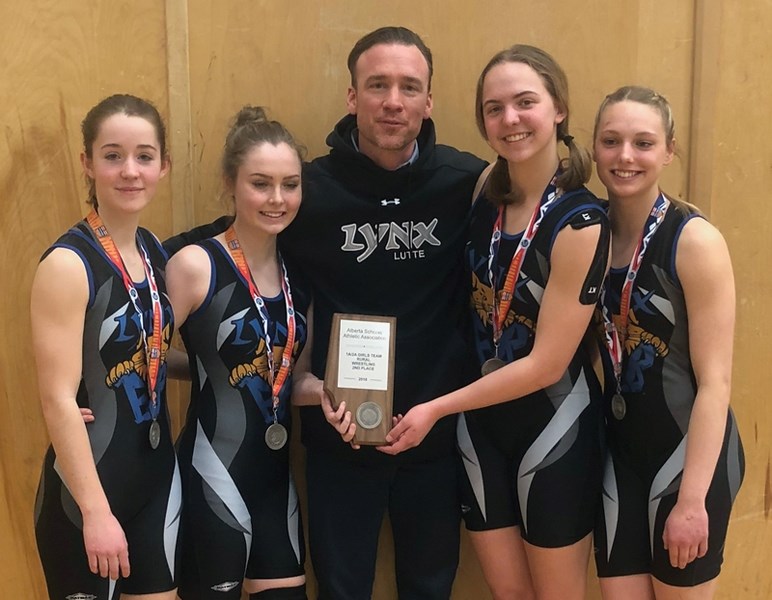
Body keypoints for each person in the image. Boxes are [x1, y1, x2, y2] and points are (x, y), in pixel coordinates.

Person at [379, 45, 610, 600]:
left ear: (558, 109)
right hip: (480, 430)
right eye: (494, 108)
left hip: (553, 426)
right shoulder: (485, 190)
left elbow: (546, 364)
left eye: (525, 102)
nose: (509, 120)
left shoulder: (581, 222)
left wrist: (436, 407)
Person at [283, 27, 487, 600]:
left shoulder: (467, 182)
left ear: (428, 101)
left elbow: (548, 222)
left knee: (430, 587)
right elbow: (228, 251)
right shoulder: (307, 191)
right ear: (352, 97)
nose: (392, 101)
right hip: (339, 437)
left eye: (408, 87)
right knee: (342, 589)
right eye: (377, 85)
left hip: (436, 432)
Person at [591, 86, 744, 600]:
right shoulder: (587, 232)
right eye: (611, 141)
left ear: (669, 151)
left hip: (687, 459)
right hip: (621, 455)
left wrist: (694, 501)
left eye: (643, 142)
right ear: (593, 148)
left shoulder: (694, 241)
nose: (625, 156)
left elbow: (715, 382)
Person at [32, 94, 179, 599]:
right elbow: (56, 398)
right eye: (113, 155)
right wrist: (96, 513)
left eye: (144, 156)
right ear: (88, 164)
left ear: (164, 164)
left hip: (154, 479)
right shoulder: (68, 265)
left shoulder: (155, 252)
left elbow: (147, 352)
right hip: (87, 494)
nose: (130, 171)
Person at [167, 106, 310, 599]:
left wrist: (337, 398)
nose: (277, 198)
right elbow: (139, 347)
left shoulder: (297, 276)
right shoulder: (194, 265)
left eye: (289, 184)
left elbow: (294, 377)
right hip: (212, 476)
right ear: (231, 183)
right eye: (261, 183)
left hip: (274, 481)